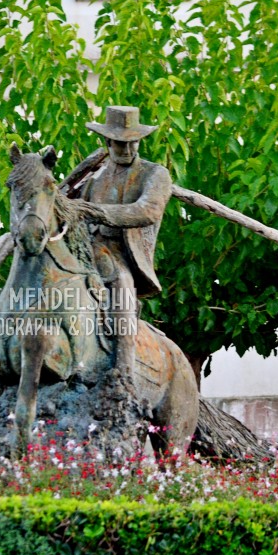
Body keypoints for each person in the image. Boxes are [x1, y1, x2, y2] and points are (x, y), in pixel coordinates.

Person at [64, 106, 172, 388]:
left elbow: (147, 211)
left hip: (117, 253)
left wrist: (97, 211)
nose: (126, 148)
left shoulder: (154, 174)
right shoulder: (92, 175)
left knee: (121, 282)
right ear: (107, 142)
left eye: (132, 142)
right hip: (81, 249)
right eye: (119, 143)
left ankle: (122, 374)